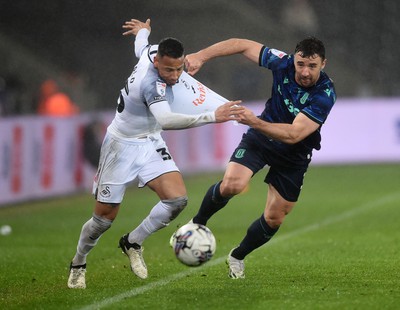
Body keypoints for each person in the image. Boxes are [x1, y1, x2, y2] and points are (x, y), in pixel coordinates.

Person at [67, 18, 243, 289]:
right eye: (169, 70)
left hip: (149, 141)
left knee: (177, 200)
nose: (175, 76)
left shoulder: (154, 52)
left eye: (179, 69)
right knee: (103, 220)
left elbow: (142, 47)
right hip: (121, 145)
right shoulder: (150, 85)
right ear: (158, 63)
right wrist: (213, 116)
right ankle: (79, 262)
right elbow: (168, 120)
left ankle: (133, 242)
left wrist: (143, 31)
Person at [184, 36, 336, 279]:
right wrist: (200, 56)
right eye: (300, 64)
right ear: (294, 59)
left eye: (312, 66)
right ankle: (195, 224)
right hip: (262, 139)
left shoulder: (324, 94)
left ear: (323, 64)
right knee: (233, 184)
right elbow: (241, 44)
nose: (305, 72)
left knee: (275, 217)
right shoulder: (282, 62)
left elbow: (294, 134)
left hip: (293, 153)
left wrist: (255, 121)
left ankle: (237, 256)